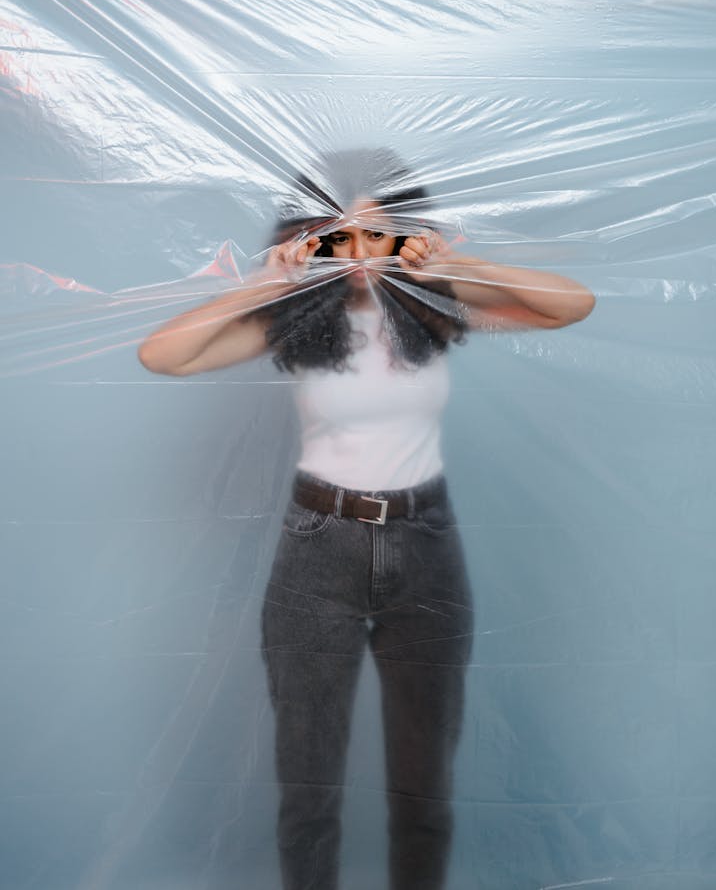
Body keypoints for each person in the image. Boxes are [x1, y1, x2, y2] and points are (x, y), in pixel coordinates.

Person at [137, 148, 595, 890]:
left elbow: (573, 304)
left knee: (426, 783)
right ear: (309, 237)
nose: (358, 257)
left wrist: (457, 265)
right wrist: (266, 283)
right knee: (307, 785)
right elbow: (163, 355)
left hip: (427, 544)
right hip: (319, 549)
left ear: (405, 237)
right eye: (338, 238)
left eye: (376, 237)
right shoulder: (294, 322)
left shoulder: (433, 308)